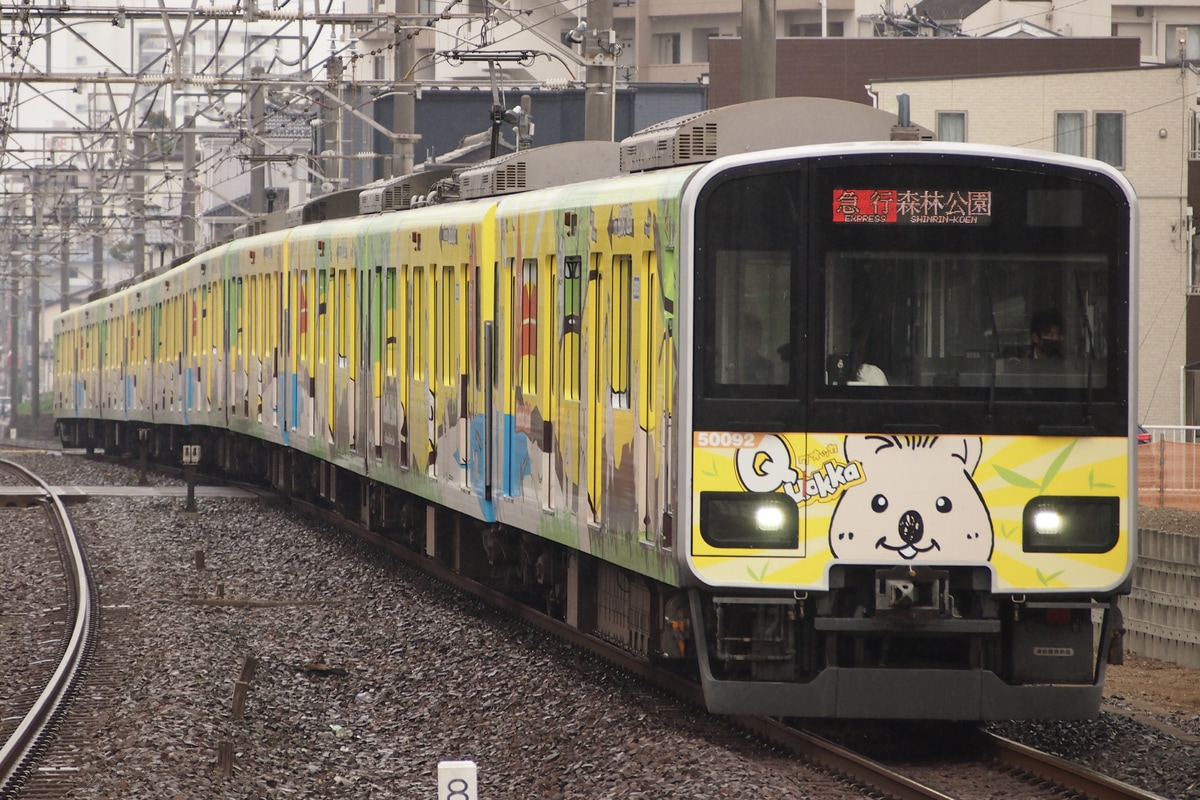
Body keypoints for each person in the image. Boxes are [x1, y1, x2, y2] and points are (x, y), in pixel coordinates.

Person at [737, 314, 776, 384]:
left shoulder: (767, 365)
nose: (755, 337)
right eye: (750, 333)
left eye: (758, 333)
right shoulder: (735, 363)